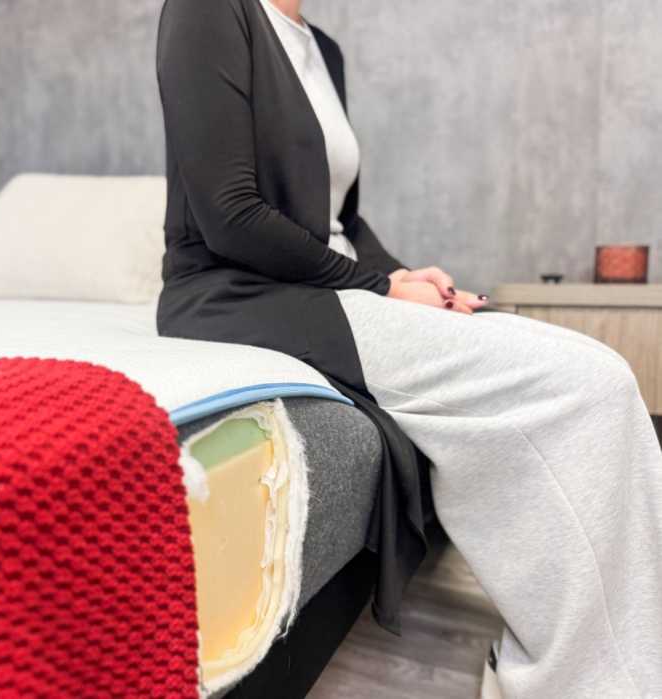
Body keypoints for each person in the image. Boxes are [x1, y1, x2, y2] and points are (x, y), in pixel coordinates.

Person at [154, 0, 662, 696]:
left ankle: (623, 660)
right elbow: (231, 217)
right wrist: (380, 285)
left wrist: (413, 275)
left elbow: (342, 224)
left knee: (601, 375)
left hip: (332, 285)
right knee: (590, 384)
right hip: (240, 296)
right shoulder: (209, 10)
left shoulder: (321, 48)